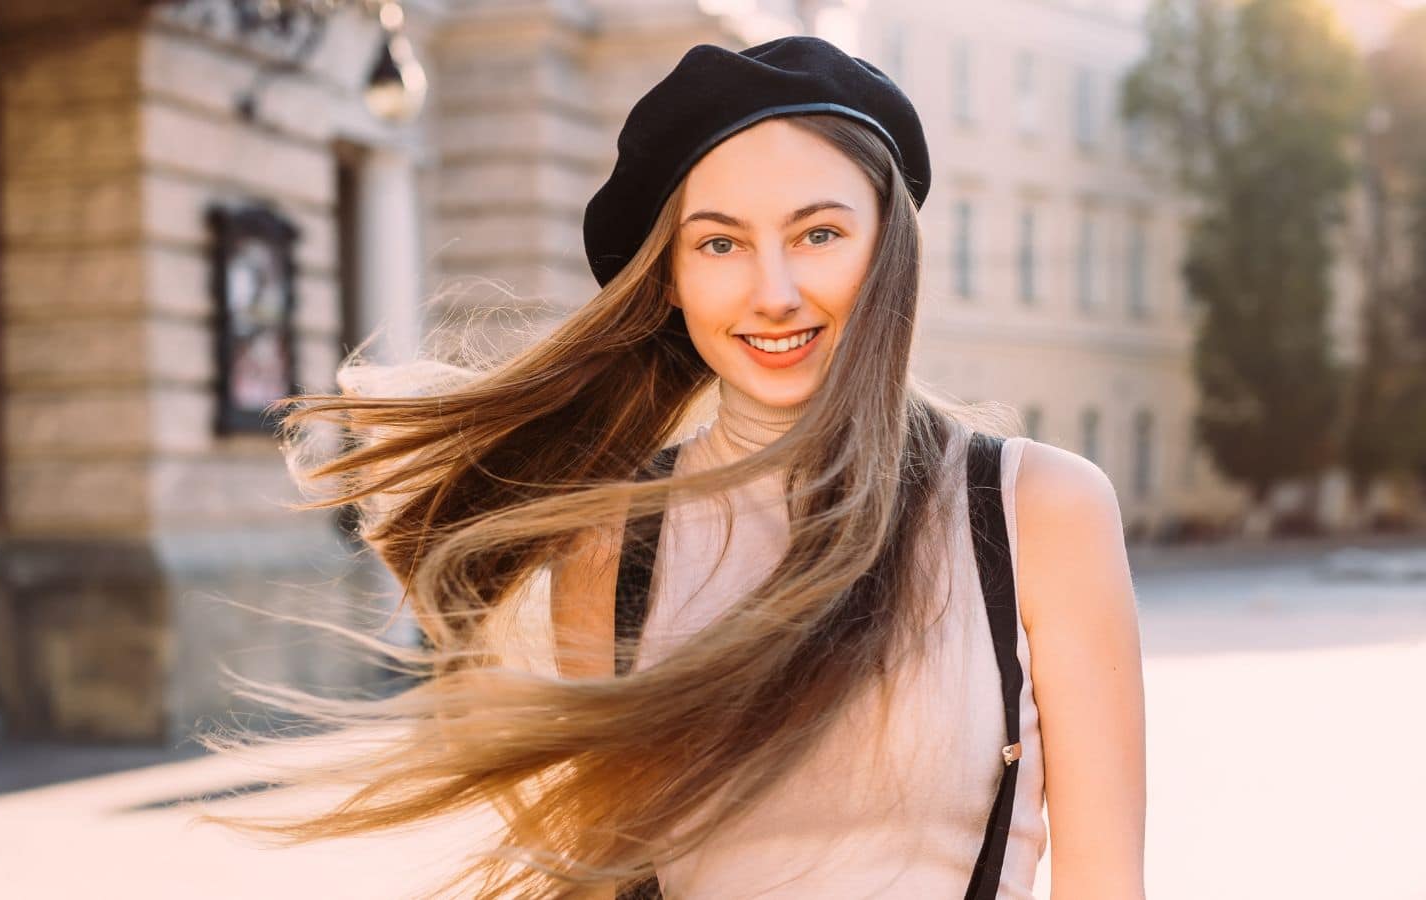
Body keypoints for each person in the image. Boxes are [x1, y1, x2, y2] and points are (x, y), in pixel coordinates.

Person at [199, 35, 1147, 900]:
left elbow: (1106, 885)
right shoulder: (609, 544)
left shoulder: (1032, 509)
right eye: (721, 243)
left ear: (889, 244)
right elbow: (607, 875)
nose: (773, 293)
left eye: (819, 233)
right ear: (675, 280)